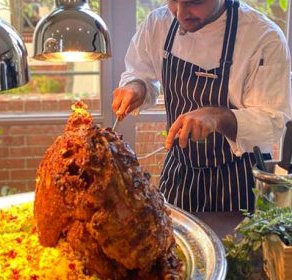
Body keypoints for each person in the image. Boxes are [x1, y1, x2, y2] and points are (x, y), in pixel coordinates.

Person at [112, 0, 292, 212]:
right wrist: (136, 87)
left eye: (194, 2)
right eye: (172, 1)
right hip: (179, 174)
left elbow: (273, 121)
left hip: (240, 180)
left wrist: (217, 117)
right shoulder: (158, 23)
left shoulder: (262, 37)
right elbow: (139, 71)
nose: (180, 14)